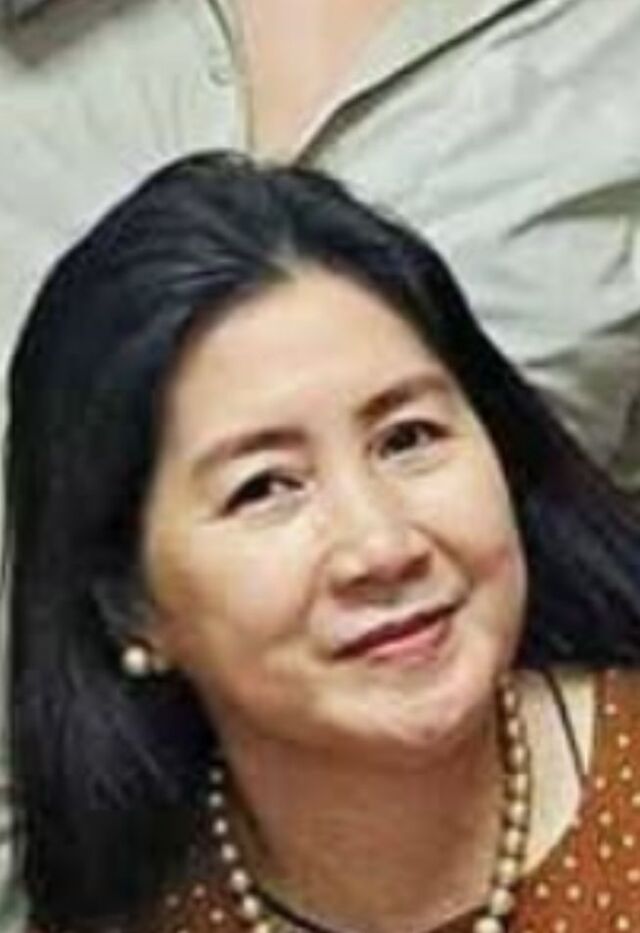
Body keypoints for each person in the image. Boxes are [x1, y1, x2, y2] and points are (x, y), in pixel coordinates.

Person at [2, 3, 640, 925]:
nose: (381, 544)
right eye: (265, 488)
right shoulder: (133, 906)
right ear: (131, 606)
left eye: (408, 438)